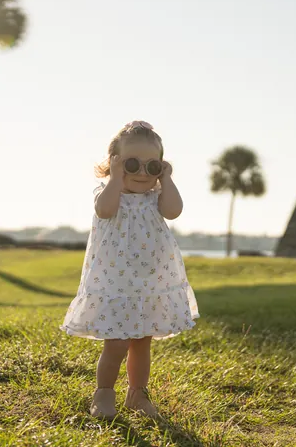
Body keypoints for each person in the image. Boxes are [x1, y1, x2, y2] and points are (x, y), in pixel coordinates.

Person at [60, 120, 200, 419]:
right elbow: (104, 210)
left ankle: (137, 394)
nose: (140, 173)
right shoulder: (108, 193)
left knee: (142, 341)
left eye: (152, 167)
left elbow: (174, 210)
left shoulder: (155, 197)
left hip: (150, 282)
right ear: (113, 164)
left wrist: (167, 181)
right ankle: (104, 394)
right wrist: (114, 177)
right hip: (116, 283)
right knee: (117, 342)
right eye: (132, 164)